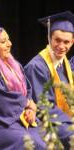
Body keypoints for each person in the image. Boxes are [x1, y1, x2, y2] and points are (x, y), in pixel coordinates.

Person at [0, 12, 46, 150]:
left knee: (50, 137)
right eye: (3, 41)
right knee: (34, 144)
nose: (10, 44)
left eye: (9, 40)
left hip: (18, 118)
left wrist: (29, 109)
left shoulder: (12, 64)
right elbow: (0, 97)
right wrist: (27, 103)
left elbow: (26, 89)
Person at [24, 11, 74, 148]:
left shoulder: (65, 64)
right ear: (49, 38)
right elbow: (45, 108)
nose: (61, 46)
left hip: (65, 119)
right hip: (48, 123)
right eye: (57, 40)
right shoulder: (37, 67)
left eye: (66, 42)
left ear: (72, 42)